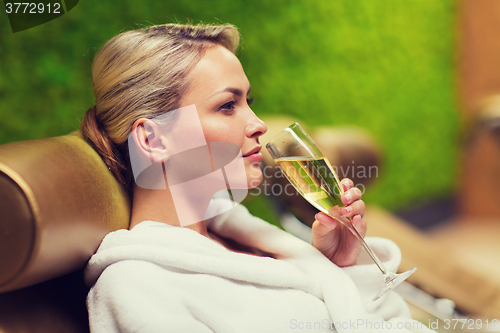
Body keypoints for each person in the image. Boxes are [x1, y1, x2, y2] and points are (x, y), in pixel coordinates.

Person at [81, 23, 433, 333]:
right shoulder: (137, 285)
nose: (259, 125)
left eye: (249, 101)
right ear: (153, 140)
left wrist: (341, 268)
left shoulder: (247, 238)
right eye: (227, 106)